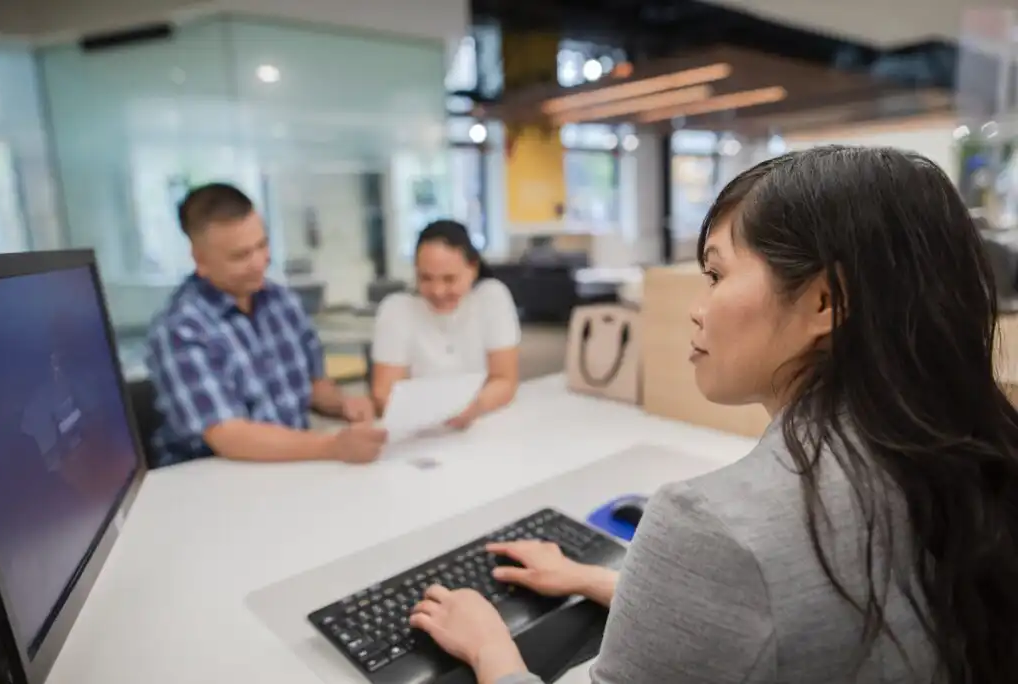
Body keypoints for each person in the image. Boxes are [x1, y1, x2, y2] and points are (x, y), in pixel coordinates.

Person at [407, 147, 1018, 683]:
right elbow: (805, 622)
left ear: (826, 300)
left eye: (717, 273)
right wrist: (598, 580)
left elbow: (757, 572)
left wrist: (491, 650)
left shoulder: (714, 525)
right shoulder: (963, 457)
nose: (697, 309)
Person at [146, 183, 384, 466]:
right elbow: (229, 436)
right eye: (240, 255)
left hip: (291, 466)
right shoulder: (181, 329)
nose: (259, 263)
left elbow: (315, 387)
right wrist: (333, 445)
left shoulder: (282, 302)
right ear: (201, 260)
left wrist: (344, 405)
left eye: (262, 245)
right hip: (217, 479)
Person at [371, 220, 521, 428]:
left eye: (449, 279)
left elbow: (505, 380)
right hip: (416, 433)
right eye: (425, 278)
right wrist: (431, 416)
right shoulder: (396, 310)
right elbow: (383, 395)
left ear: (473, 268)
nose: (438, 291)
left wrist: (475, 407)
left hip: (482, 424)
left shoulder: (491, 298)